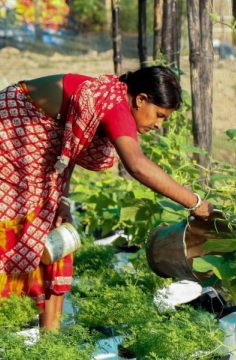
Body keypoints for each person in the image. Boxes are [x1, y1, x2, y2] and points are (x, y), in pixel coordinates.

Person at [0, 66, 212, 330]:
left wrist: (63, 200)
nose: (159, 125)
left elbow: (69, 145)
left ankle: (51, 339)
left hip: (37, 161)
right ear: (141, 99)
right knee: (15, 231)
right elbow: (137, 166)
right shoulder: (115, 106)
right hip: (11, 138)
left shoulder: (110, 99)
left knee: (56, 236)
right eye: (159, 115)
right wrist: (196, 202)